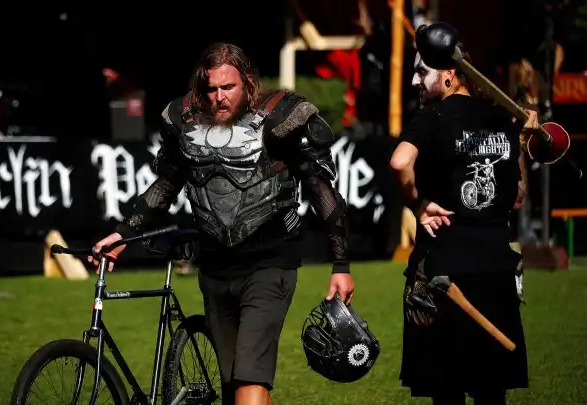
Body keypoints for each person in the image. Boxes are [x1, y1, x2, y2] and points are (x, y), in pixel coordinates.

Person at [88, 42, 354, 405]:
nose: (219, 97)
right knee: (233, 383)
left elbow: (321, 190)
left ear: (247, 82)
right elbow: (166, 185)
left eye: (228, 87)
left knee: (249, 374)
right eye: (211, 89)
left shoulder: (280, 118)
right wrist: (124, 234)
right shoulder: (185, 121)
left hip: (270, 264)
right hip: (215, 267)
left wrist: (341, 264)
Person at [389, 24, 537, 405]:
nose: (414, 81)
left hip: (444, 277)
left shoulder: (433, 117)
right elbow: (517, 195)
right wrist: (519, 141)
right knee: (491, 396)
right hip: (496, 274)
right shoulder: (500, 119)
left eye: (421, 72)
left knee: (447, 395)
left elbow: (400, 162)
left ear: (449, 75)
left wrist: (417, 204)